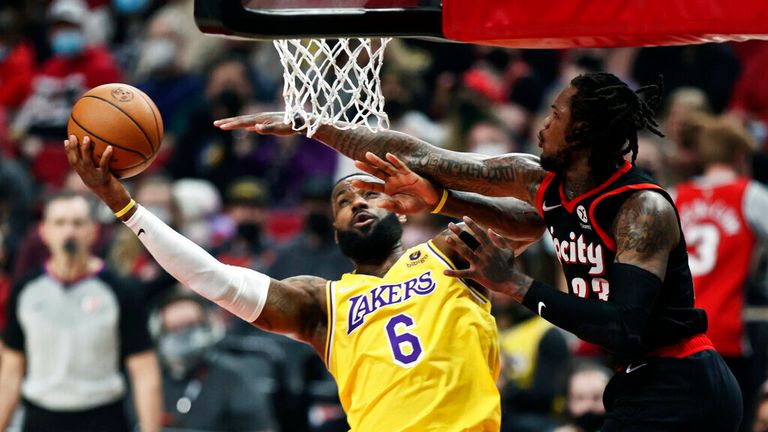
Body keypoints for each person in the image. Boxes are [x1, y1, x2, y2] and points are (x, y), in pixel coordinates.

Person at [217, 71, 743, 430]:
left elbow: (623, 325)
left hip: (684, 381)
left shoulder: (640, 210)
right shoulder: (543, 180)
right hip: (637, 382)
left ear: (581, 131)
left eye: (556, 113)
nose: (543, 122)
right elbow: (426, 156)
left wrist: (516, 285)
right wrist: (315, 127)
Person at [64, 132, 545, 431]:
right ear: (332, 232)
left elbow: (534, 214)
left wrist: (440, 197)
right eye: (343, 201)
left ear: (399, 205)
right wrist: (125, 208)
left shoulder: (451, 251)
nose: (358, 203)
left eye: (371, 195)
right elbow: (213, 278)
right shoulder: (323, 303)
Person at [0, 192, 162, 432]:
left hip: (102, 416)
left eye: (77, 223)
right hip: (40, 417)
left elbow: (145, 372)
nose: (69, 232)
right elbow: (11, 371)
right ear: (44, 232)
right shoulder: (25, 290)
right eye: (60, 223)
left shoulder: (120, 291)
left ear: (93, 231)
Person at [672, 115, 768, 430]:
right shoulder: (749, 194)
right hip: (725, 335)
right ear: (740, 155)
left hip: (677, 336)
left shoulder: (674, 196)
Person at [151, 290, 278, 432]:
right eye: (174, 329)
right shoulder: (150, 380)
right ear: (159, 333)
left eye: (190, 326)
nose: (183, 336)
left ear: (208, 326)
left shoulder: (231, 378)